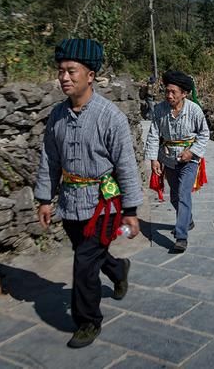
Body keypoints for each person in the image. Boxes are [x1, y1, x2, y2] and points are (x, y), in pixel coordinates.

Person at [34, 38, 143, 349]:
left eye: (71, 71)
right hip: (70, 203)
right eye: (61, 71)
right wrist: (45, 198)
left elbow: (125, 164)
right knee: (89, 254)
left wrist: (130, 210)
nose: (64, 77)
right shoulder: (57, 116)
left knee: (83, 264)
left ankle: (87, 321)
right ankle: (118, 269)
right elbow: (49, 159)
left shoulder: (110, 117)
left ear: (90, 75)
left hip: (103, 206)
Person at [145, 71, 209, 252]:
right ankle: (187, 220)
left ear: (184, 93)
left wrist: (192, 151)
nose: (169, 95)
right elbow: (153, 135)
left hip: (189, 160)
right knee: (174, 196)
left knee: (183, 194)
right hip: (169, 159)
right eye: (167, 91)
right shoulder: (159, 110)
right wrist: (154, 160)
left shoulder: (194, 110)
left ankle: (181, 236)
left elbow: (204, 134)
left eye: (173, 92)